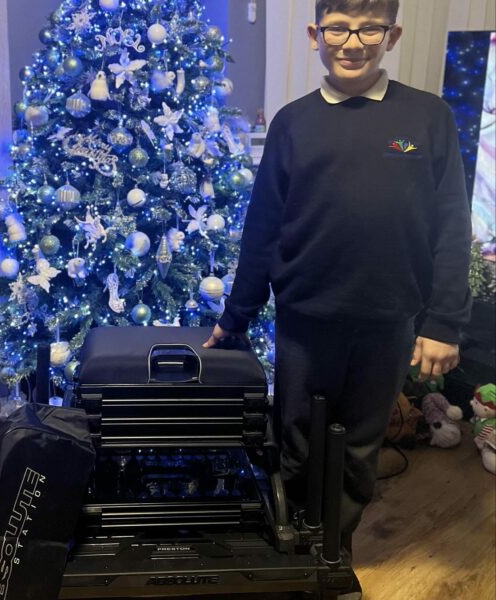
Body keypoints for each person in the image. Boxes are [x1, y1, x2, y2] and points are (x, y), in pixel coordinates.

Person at [204, 0, 471, 597]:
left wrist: (444, 323)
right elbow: (263, 228)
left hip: (388, 322)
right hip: (305, 322)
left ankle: (333, 554)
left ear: (391, 35)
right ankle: (294, 549)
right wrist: (236, 316)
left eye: (370, 27)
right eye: (338, 28)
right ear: (315, 34)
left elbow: (452, 225)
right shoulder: (293, 123)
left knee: (358, 449)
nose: (353, 41)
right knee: (296, 442)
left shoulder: (428, 117)